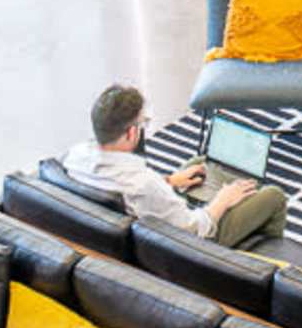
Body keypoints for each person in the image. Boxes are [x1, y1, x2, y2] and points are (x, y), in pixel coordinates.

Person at [64, 82, 288, 249]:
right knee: (273, 196)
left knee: (199, 165)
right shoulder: (144, 183)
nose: (144, 128)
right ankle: (259, 254)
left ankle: (233, 209)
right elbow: (196, 228)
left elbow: (122, 184)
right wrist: (223, 200)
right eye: (144, 123)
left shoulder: (75, 156)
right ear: (132, 133)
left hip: (138, 220)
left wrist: (170, 181)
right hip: (193, 245)